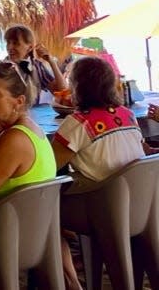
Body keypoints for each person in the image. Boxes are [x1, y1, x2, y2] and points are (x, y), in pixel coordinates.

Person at [50, 56, 148, 290]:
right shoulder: (127, 114)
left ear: (77, 87)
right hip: (142, 205)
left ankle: (70, 281)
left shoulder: (78, 123)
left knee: (43, 208)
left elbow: (48, 166)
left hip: (104, 208)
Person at [0, 60, 56, 201]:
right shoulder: (34, 130)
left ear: (19, 101)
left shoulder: (14, 139)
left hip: (2, 222)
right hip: (31, 221)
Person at [4, 24, 67, 105]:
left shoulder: (37, 67)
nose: (10, 47)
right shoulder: (2, 67)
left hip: (31, 116)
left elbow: (62, 91)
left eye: (16, 43)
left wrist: (51, 62)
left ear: (29, 48)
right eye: (8, 43)